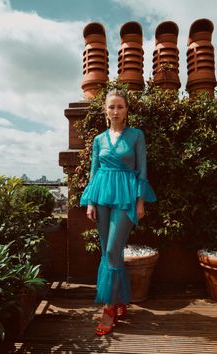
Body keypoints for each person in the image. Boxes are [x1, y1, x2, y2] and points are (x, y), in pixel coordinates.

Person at [80, 89, 156, 336]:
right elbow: (93, 171)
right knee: (109, 252)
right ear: (105, 110)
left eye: (120, 107)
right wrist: (90, 201)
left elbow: (142, 170)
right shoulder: (99, 140)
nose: (115, 111)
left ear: (126, 110)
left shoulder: (136, 136)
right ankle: (120, 300)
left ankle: (109, 308)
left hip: (125, 196)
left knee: (113, 249)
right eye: (111, 107)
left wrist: (140, 201)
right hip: (101, 195)